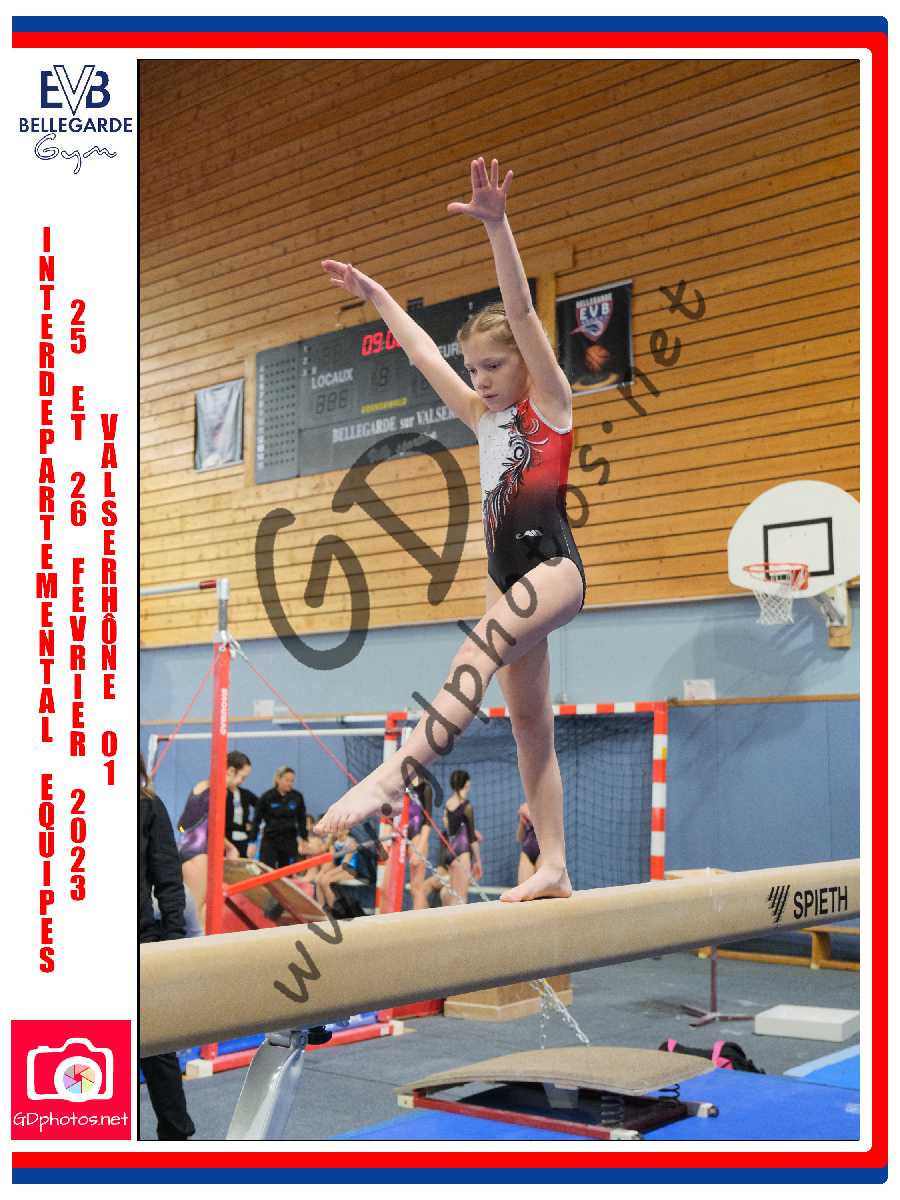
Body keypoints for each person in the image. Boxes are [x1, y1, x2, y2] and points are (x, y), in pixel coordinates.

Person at [317, 157, 585, 902]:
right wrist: (376, 295)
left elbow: (522, 312)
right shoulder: (479, 417)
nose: (481, 378)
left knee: (476, 650)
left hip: (554, 570)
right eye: (474, 367)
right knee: (530, 727)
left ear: (526, 363)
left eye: (494, 366)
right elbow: (418, 353)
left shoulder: (550, 403)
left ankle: (391, 777)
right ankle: (555, 865)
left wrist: (498, 226)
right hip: (508, 581)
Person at [139, 754, 195, 1140]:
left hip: (141, 940)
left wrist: (173, 938)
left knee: (156, 1046)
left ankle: (176, 1138)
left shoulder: (147, 807)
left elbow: (168, 879)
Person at [177, 750, 251, 930]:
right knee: (196, 910)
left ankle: (203, 942)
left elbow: (184, 825)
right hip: (197, 854)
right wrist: (230, 847)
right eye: (242, 777)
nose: (242, 782)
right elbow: (210, 827)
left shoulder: (204, 786)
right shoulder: (218, 790)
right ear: (231, 771)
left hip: (189, 850)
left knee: (202, 908)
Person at [438, 770, 482, 906]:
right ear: (467, 783)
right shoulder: (467, 806)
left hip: (450, 851)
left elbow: (449, 826)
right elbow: (472, 839)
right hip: (462, 852)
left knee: (452, 893)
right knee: (461, 898)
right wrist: (478, 861)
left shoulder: (448, 804)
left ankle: (445, 914)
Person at [250, 766, 308, 869]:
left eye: (292, 781)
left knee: (287, 872)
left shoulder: (297, 797)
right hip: (270, 840)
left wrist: (304, 838)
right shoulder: (266, 797)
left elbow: (302, 819)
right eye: (287, 780)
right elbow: (256, 820)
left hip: (289, 840)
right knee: (267, 870)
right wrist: (252, 841)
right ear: (278, 779)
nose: (290, 783)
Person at [406, 774, 434, 910]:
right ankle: (429, 919)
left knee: (417, 887)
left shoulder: (425, 788)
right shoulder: (403, 787)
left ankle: (421, 921)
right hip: (404, 837)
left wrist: (420, 848)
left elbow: (428, 823)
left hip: (417, 838)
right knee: (414, 888)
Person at [516, 800, 541, 887]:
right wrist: (522, 823)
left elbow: (545, 829)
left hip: (543, 852)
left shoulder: (547, 805)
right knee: (523, 888)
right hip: (527, 851)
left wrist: (527, 814)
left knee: (543, 891)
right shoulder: (526, 806)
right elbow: (519, 838)